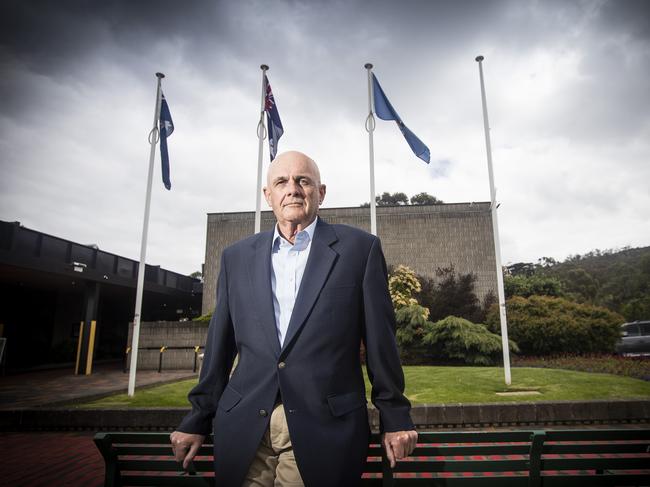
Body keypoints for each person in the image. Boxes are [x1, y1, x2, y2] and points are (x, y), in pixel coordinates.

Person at [171, 151, 417, 486]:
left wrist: (395, 415)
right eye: (282, 181)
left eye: (303, 180)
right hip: (245, 425)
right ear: (267, 195)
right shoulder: (236, 258)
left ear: (321, 192)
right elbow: (220, 347)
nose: (293, 189)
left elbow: (380, 342)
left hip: (323, 425)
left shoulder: (360, 250)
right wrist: (198, 417)